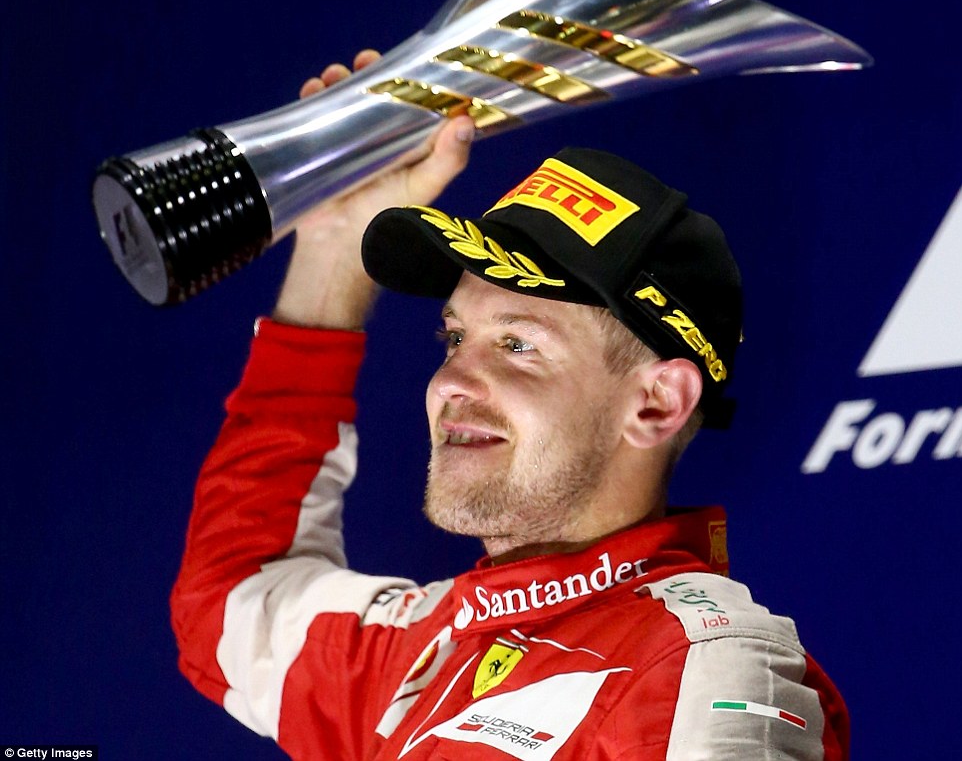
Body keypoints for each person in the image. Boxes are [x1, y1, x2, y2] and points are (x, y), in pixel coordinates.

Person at [171, 51, 850, 759]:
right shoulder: (427, 644)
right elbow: (231, 599)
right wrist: (336, 248)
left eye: (517, 345)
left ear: (655, 404)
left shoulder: (706, 673)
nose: (449, 384)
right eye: (454, 337)